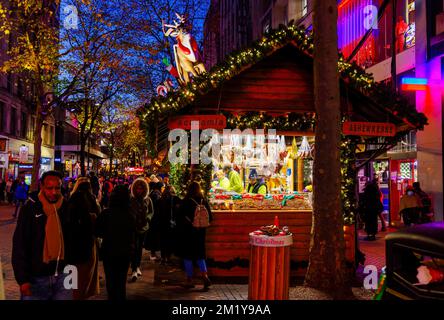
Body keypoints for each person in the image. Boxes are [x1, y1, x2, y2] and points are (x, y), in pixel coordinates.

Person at [12, 170, 73, 300]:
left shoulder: (67, 207)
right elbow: (20, 244)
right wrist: (22, 280)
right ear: (42, 186)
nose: (54, 192)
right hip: (37, 278)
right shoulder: (30, 208)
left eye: (57, 188)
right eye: (49, 188)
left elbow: (74, 240)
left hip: (66, 274)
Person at [95, 185, 135, 300]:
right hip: (125, 252)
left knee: (111, 280)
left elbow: (97, 231)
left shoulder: (106, 214)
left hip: (109, 251)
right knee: (121, 281)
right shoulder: (129, 214)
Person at [67, 177, 101, 300]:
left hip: (72, 245)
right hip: (87, 243)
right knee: (85, 276)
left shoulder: (71, 199)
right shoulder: (91, 199)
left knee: (72, 276)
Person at [176, 181, 212, 290]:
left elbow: (180, 217)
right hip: (201, 233)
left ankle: (189, 280)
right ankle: (205, 276)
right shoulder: (203, 200)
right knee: (200, 255)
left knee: (188, 256)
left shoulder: (186, 201)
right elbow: (210, 217)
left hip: (188, 233)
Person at [129, 178, 153, 282]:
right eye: (138, 188)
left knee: (139, 248)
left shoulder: (148, 200)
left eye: (141, 189)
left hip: (143, 228)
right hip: (133, 227)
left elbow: (151, 212)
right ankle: (134, 268)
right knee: (134, 247)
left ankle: (137, 266)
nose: (139, 190)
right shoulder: (131, 199)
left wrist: (147, 218)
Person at [158, 185, 181, 265]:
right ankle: (168, 258)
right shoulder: (176, 199)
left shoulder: (161, 199)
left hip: (162, 224)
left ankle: (163, 258)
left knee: (163, 241)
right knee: (170, 241)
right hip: (171, 223)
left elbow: (157, 212)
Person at [146, 181, 162, 261]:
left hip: (153, 218)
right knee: (154, 236)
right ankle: (153, 253)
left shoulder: (152, 194)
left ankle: (153, 253)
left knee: (153, 236)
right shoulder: (156, 194)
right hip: (155, 219)